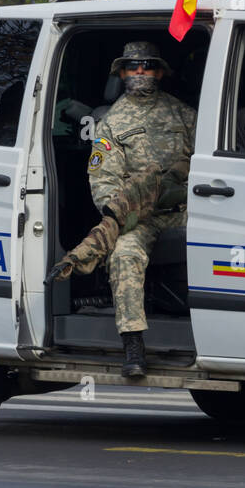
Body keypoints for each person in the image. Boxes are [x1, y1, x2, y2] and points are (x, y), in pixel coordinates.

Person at [47, 41, 197, 377]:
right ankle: (133, 345)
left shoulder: (184, 114)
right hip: (138, 216)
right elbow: (102, 179)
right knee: (124, 254)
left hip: (186, 208)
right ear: (122, 73)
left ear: (159, 71)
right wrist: (122, 211)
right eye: (132, 66)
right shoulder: (111, 123)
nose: (140, 71)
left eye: (146, 65)